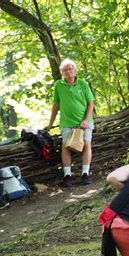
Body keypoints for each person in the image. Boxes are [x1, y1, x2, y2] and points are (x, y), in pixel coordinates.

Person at [45, 58, 95, 187]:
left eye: (71, 69)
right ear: (62, 72)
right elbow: (56, 104)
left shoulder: (83, 84)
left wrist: (85, 120)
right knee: (66, 146)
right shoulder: (58, 85)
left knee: (87, 144)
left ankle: (85, 174)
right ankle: (67, 175)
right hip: (67, 122)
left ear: (75, 70)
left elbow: (91, 103)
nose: (68, 71)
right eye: (65, 70)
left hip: (85, 122)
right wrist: (50, 123)